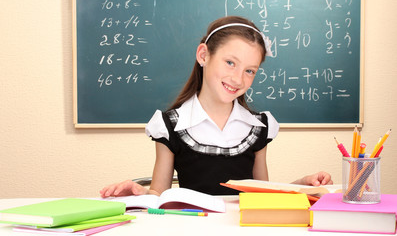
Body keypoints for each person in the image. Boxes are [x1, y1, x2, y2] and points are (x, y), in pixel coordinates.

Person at [100, 16, 332, 197]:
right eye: (230, 63)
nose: (238, 79)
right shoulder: (170, 125)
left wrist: (304, 184)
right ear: (203, 55)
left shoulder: (258, 126)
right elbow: (159, 195)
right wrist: (142, 192)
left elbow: (264, 192)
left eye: (249, 71)